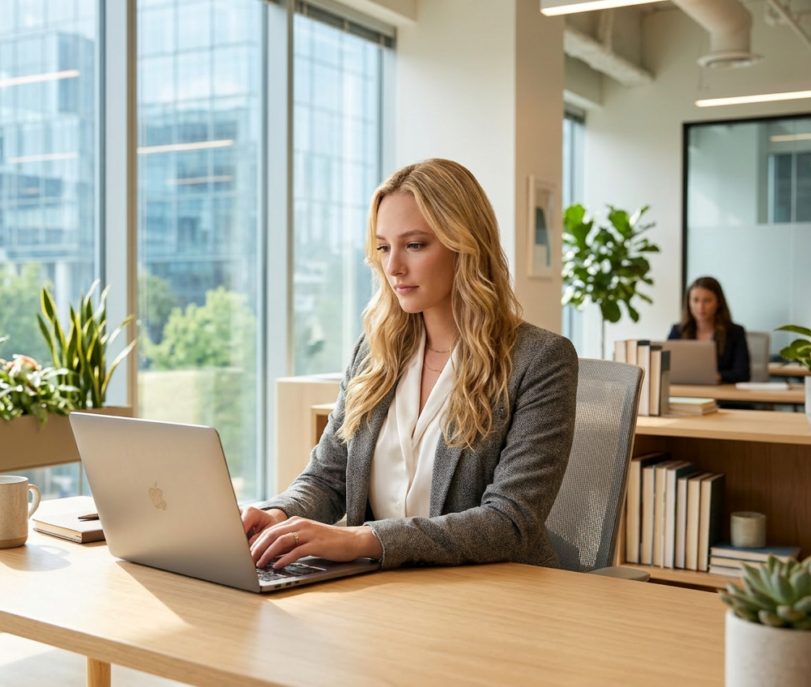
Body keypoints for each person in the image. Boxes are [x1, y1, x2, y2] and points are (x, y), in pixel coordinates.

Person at [241, 158, 578, 572]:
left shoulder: (539, 360)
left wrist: (362, 539)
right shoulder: (374, 352)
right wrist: (279, 515)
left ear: (465, 245)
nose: (393, 267)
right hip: (383, 592)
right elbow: (328, 478)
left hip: (493, 596)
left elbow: (509, 522)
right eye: (383, 247)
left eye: (415, 245)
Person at [668, 276, 750, 384]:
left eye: (707, 301)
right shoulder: (678, 331)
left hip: (722, 395)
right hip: (686, 392)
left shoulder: (735, 332)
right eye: (695, 300)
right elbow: (664, 368)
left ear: (718, 303)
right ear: (688, 302)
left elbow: (743, 373)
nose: (700, 306)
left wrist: (719, 376)